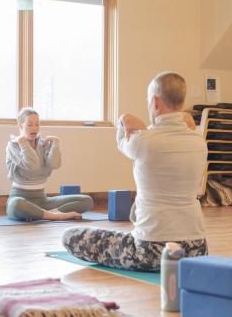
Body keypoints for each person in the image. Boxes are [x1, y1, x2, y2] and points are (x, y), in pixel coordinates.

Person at [62, 72, 208, 271]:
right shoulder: (199, 143)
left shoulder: (144, 141)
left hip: (152, 250)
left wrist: (125, 119)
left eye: (149, 101)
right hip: (197, 251)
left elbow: (122, 142)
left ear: (155, 102)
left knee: (70, 236)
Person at [5, 108, 94, 221]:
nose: (35, 128)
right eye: (30, 124)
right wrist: (23, 143)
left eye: (37, 124)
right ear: (21, 125)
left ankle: (42, 214)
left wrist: (55, 145)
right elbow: (32, 165)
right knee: (16, 205)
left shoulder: (43, 143)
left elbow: (55, 164)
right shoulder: (13, 145)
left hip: (43, 201)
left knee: (87, 201)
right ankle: (54, 216)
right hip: (20, 198)